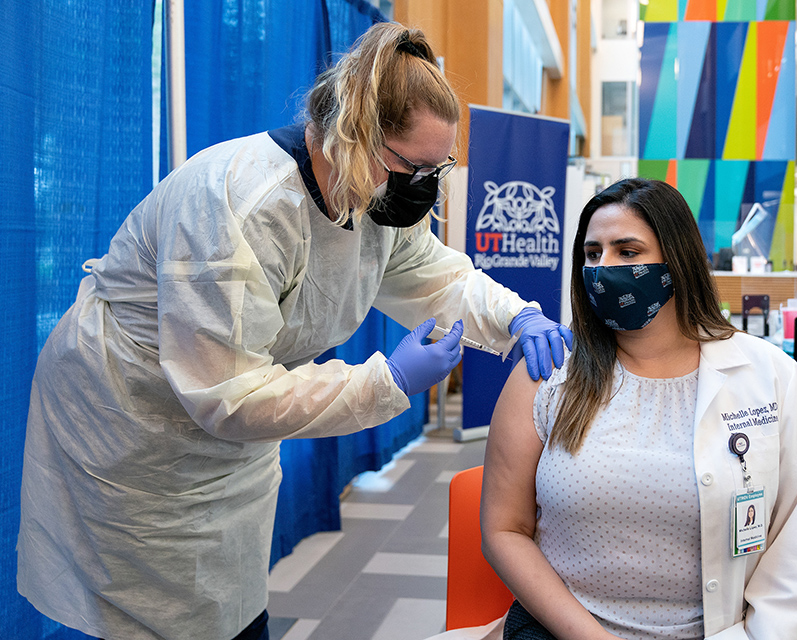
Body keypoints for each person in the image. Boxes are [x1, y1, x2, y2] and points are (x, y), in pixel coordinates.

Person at [17, 22, 572, 640]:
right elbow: (233, 394)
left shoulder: (368, 191)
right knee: (139, 615)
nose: (426, 188)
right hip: (133, 426)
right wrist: (385, 380)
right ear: (351, 136)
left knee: (231, 601)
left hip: (229, 435)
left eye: (438, 169)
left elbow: (429, 272)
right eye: (413, 167)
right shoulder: (239, 202)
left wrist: (516, 314)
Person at [480, 178, 797, 640]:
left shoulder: (769, 377)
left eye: (627, 252)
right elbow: (504, 529)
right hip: (563, 631)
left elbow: (794, 545)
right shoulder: (548, 373)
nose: (603, 268)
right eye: (592, 253)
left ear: (677, 261)